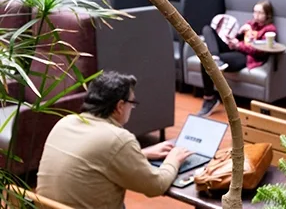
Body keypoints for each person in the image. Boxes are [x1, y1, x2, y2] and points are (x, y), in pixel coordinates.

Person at [37, 71, 193, 209]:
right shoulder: (117, 138)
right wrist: (173, 159)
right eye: (132, 103)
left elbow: (94, 160)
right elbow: (156, 186)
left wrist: (141, 154)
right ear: (120, 106)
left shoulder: (66, 122)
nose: (132, 109)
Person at [198, 0, 277, 116]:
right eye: (255, 12)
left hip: (246, 57)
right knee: (207, 29)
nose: (256, 15)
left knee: (205, 62)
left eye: (260, 13)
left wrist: (239, 45)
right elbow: (239, 39)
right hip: (235, 49)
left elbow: (260, 52)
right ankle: (215, 57)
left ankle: (209, 99)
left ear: (267, 15)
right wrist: (238, 35)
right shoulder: (249, 24)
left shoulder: (270, 30)